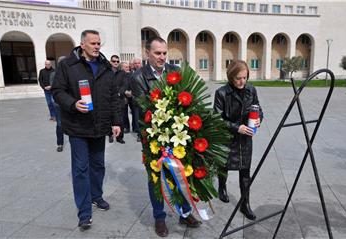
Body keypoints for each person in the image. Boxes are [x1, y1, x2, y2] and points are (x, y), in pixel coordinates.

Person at [52, 30, 123, 231]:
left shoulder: (106, 66)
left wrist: (117, 122)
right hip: (77, 127)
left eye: (99, 42)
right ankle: (84, 212)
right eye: (93, 43)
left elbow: (114, 97)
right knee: (81, 169)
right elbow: (57, 91)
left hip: (100, 128)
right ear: (82, 44)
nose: (97, 46)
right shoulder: (67, 65)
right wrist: (73, 104)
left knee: (98, 165)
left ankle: (96, 196)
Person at [131, 36, 201, 237]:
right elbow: (145, 107)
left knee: (181, 173)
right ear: (147, 54)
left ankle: (184, 212)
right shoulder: (138, 77)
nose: (162, 57)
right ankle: (159, 218)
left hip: (177, 135)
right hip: (153, 137)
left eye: (164, 53)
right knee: (156, 178)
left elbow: (187, 99)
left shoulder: (175, 71)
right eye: (157, 53)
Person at [213, 60, 263, 221]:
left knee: (245, 171)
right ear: (230, 77)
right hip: (227, 137)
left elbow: (258, 109)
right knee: (224, 166)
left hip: (245, 138)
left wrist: (258, 119)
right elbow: (217, 119)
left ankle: (245, 203)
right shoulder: (221, 93)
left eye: (245, 77)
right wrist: (236, 127)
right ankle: (222, 187)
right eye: (238, 78)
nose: (242, 81)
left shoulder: (251, 90)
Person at [49, 56, 66, 152]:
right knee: (59, 124)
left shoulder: (70, 73)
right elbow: (54, 89)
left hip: (69, 103)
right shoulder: (54, 74)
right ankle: (60, 143)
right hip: (59, 103)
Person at [108, 56, 126, 144]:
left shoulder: (122, 73)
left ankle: (120, 137)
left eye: (117, 61)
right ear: (110, 62)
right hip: (109, 100)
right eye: (114, 61)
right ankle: (110, 135)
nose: (115, 62)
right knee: (110, 119)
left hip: (120, 100)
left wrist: (119, 93)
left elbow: (125, 85)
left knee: (120, 119)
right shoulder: (107, 73)